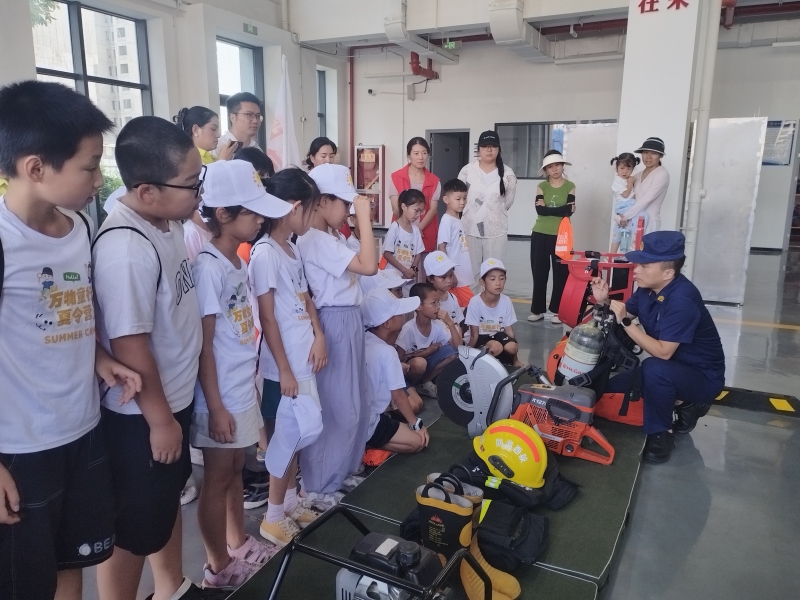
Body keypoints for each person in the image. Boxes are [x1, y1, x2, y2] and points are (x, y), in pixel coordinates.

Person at [0, 80, 141, 600]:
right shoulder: (4, 240)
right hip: (20, 449)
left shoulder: (79, 227)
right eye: (89, 166)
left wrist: (100, 358)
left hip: (81, 431)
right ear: (36, 168)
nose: (100, 180)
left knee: (71, 562)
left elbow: (59, 314)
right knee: (25, 582)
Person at [92, 116, 205, 600]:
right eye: (191, 184)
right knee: (133, 528)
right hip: (140, 414)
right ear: (147, 191)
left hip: (172, 400)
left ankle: (170, 588)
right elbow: (130, 345)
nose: (199, 193)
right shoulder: (126, 249)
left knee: (162, 505)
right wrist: (160, 420)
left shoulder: (167, 223)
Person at [191, 160, 289, 588]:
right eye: (251, 212)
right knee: (216, 478)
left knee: (234, 470)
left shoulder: (234, 261)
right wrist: (215, 406)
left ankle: (237, 544)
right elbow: (204, 345)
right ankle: (217, 567)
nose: (260, 219)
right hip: (219, 395)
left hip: (238, 386)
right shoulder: (208, 267)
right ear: (224, 214)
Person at [590, 231, 725, 464]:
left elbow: (663, 352)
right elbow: (624, 313)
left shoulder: (682, 299)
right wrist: (603, 300)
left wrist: (627, 322)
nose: (636, 270)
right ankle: (685, 403)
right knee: (607, 390)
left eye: (644, 266)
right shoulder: (647, 289)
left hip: (701, 376)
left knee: (653, 368)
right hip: (672, 368)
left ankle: (661, 432)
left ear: (668, 273)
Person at [247, 168, 327, 547]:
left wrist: (319, 336)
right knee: (283, 439)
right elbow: (267, 318)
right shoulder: (264, 254)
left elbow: (305, 298)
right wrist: (283, 370)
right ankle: (273, 517)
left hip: (301, 360)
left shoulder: (290, 249)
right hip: (282, 369)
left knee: (298, 434)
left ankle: (291, 502)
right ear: (294, 208)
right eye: (310, 210)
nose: (312, 218)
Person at [297, 163, 378, 510]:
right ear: (321, 201)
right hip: (334, 321)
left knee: (355, 402)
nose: (348, 211)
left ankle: (339, 472)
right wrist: (365, 217)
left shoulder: (331, 237)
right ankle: (318, 485)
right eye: (344, 204)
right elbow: (370, 266)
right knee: (337, 407)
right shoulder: (314, 240)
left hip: (348, 319)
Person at [362, 288, 431, 453]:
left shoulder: (363, 340)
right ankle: (364, 445)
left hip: (357, 417)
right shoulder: (387, 352)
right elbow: (398, 395)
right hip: (370, 421)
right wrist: (416, 424)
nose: (403, 316)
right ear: (386, 323)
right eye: (398, 313)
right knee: (418, 442)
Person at [458, 130, 517, 281]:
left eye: (493, 146)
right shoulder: (467, 171)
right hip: (470, 229)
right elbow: (459, 197)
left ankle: (490, 298)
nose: (489, 150)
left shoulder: (508, 174)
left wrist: (491, 213)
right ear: (479, 150)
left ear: (498, 149)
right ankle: (472, 298)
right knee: (471, 274)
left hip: (495, 231)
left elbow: (507, 203)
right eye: (485, 146)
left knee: (493, 273)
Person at [528, 150, 576, 325]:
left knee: (561, 274)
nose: (554, 169)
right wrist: (561, 209)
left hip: (562, 236)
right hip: (540, 233)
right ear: (546, 170)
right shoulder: (542, 186)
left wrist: (550, 209)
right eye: (550, 167)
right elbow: (539, 210)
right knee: (539, 273)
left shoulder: (570, 185)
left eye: (557, 165)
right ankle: (537, 309)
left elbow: (569, 211)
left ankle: (558, 310)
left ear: (562, 166)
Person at [397, 282, 461, 397]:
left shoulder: (438, 325)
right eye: (433, 303)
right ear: (418, 306)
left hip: (428, 367)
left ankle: (424, 382)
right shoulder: (409, 329)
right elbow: (399, 359)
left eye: (438, 302)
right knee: (420, 363)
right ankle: (412, 385)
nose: (438, 306)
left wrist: (450, 323)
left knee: (452, 353)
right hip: (411, 369)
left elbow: (458, 347)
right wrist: (426, 352)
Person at [389, 137, 441, 273]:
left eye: (424, 153)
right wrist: (407, 230)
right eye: (416, 153)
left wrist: (417, 229)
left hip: (425, 232)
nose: (420, 157)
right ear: (409, 155)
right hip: (401, 232)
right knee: (400, 270)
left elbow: (433, 209)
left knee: (424, 271)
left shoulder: (434, 181)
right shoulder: (396, 177)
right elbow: (396, 207)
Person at [466, 259, 521, 367]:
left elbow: (509, 330)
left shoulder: (506, 300)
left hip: (499, 335)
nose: (498, 283)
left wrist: (515, 358)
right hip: (481, 336)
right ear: (482, 282)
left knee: (512, 347)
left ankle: (508, 362)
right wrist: (467, 356)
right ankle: (480, 363)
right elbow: (474, 335)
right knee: (496, 347)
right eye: (492, 279)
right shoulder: (475, 302)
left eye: (502, 278)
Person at [619, 137, 669, 234]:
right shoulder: (636, 176)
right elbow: (628, 198)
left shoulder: (662, 174)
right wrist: (620, 216)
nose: (648, 157)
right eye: (645, 152)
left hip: (649, 223)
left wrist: (625, 216)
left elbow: (646, 199)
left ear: (660, 156)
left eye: (653, 153)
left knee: (645, 244)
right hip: (632, 222)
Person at [437, 178, 474, 307]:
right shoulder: (447, 221)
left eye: (465, 198)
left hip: (461, 277)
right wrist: (450, 274)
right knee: (472, 306)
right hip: (456, 277)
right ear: (446, 200)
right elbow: (441, 247)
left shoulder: (457, 220)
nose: (462, 202)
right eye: (458, 199)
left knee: (460, 309)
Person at [382, 189, 425, 295]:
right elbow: (387, 253)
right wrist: (404, 270)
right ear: (404, 206)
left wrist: (412, 269)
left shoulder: (415, 230)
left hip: (408, 278)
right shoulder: (395, 227)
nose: (418, 215)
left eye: (421, 211)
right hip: (392, 277)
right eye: (416, 210)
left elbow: (418, 254)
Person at [609, 152, 647, 253]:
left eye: (629, 169)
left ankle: (616, 254)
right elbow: (625, 195)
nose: (625, 171)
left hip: (628, 205)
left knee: (621, 230)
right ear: (616, 168)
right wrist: (630, 183)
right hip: (624, 206)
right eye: (622, 168)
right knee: (641, 218)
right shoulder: (618, 181)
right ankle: (631, 248)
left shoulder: (626, 179)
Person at [424, 251, 466, 338]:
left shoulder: (453, 298)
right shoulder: (425, 302)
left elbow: (458, 326)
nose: (449, 280)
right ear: (430, 279)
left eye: (451, 275)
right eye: (443, 277)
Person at [216, 92, 263, 156]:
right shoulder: (217, 147)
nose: (255, 121)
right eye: (249, 115)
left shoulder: (258, 150)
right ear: (233, 118)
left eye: (257, 116)